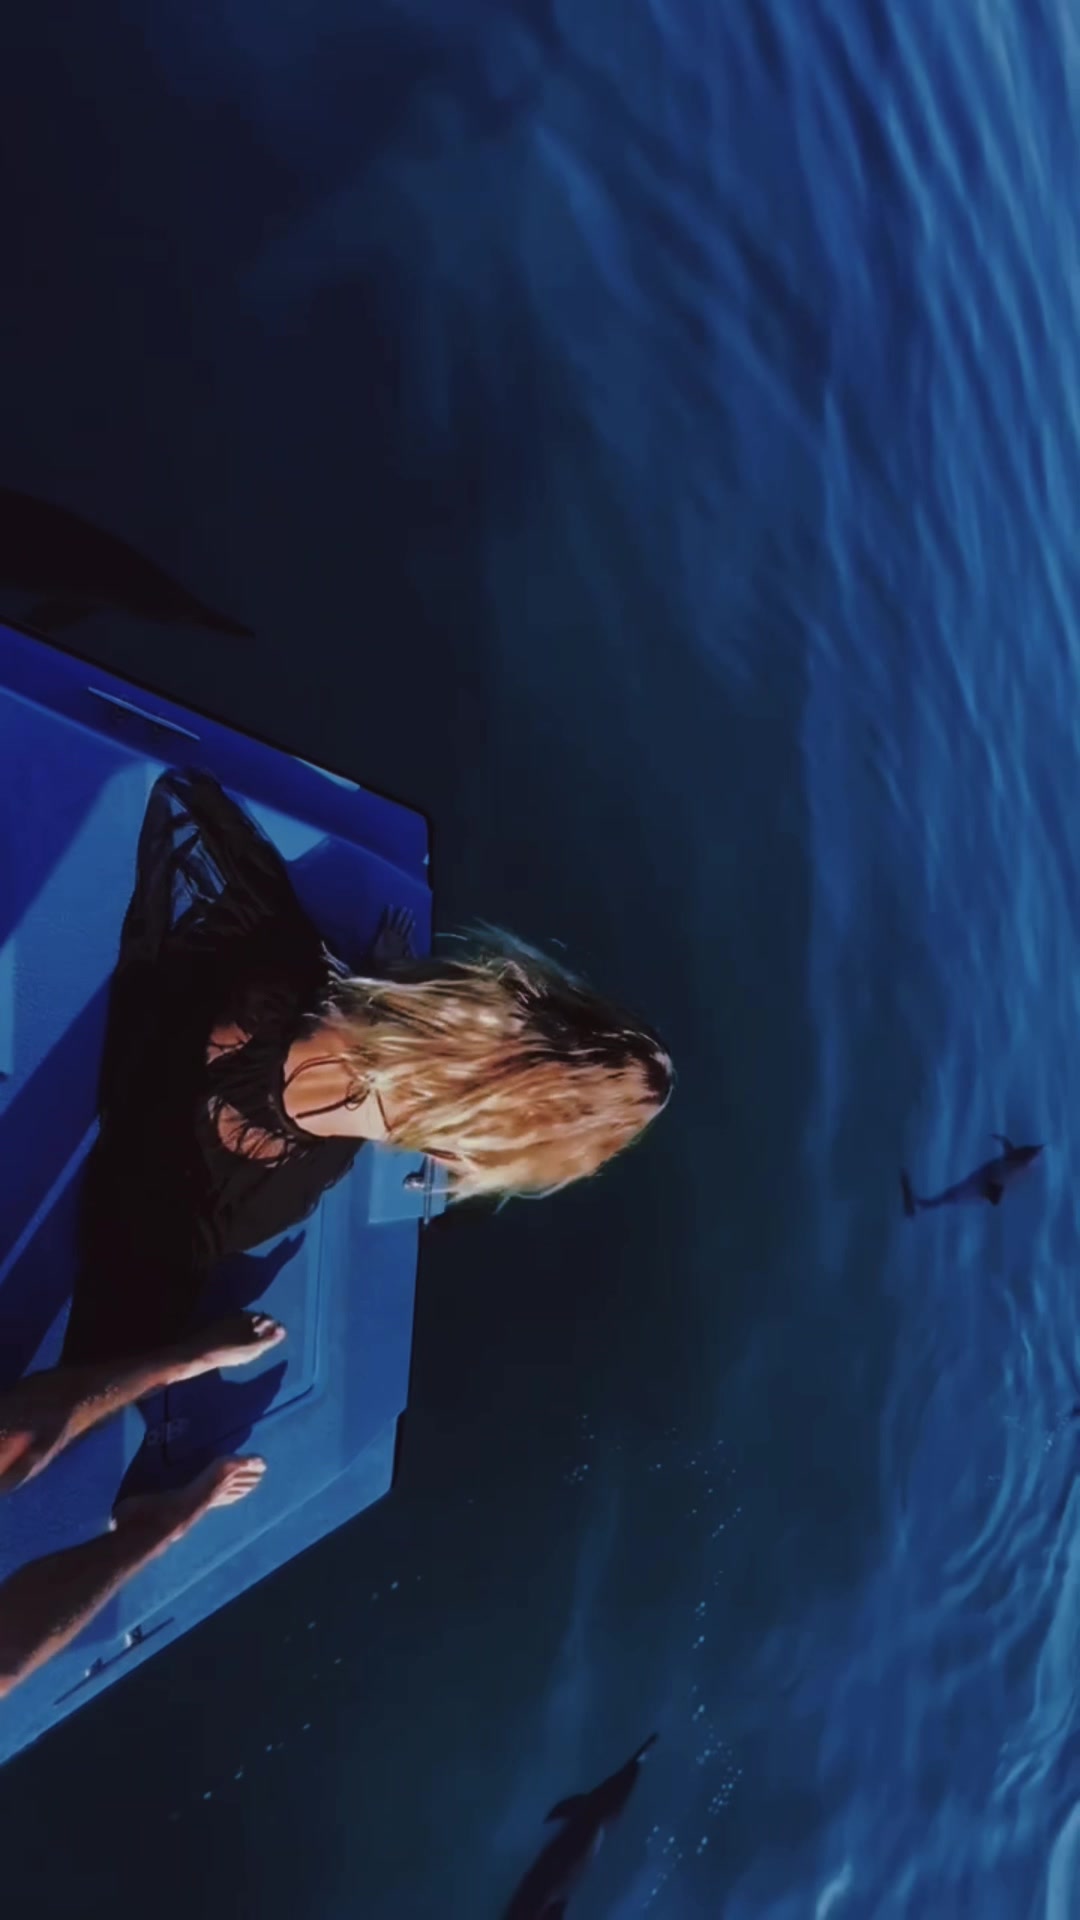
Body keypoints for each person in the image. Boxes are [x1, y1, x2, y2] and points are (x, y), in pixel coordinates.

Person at [0, 769, 673, 1696]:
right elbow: (424, 1122)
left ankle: (166, 1441)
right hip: (182, 1178)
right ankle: (161, 1496)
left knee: (318, 1002)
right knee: (135, 1325)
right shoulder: (418, 1117)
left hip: (226, 1033)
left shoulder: (393, 1002)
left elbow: (400, 1026)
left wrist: (395, 984)